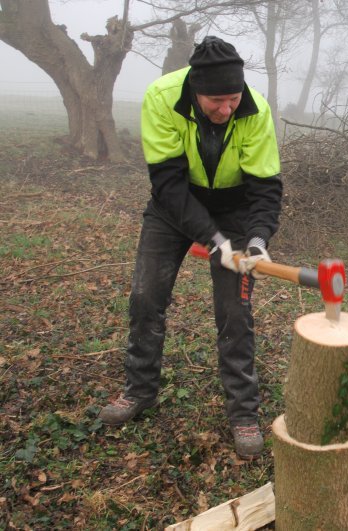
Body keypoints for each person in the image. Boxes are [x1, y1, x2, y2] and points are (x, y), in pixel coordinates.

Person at [99, 36, 283, 460]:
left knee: (234, 313)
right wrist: (213, 241)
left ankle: (243, 412)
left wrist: (254, 241)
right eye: (216, 101)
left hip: (234, 209)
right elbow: (167, 183)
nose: (226, 109)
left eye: (232, 99)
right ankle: (139, 391)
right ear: (195, 90)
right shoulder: (162, 97)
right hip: (172, 206)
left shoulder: (253, 108)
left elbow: (266, 188)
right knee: (146, 297)